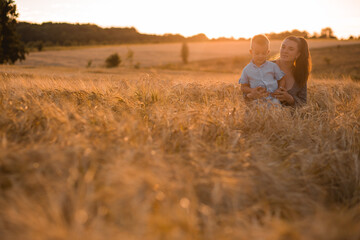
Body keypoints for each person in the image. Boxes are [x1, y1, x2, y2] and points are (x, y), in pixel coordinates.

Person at [244, 36, 312, 107]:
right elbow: (244, 94)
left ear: (298, 54)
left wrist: (290, 99)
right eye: (283, 47)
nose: (285, 51)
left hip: (286, 117)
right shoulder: (263, 66)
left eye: (291, 49)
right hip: (261, 115)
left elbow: (303, 103)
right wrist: (251, 95)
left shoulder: (300, 74)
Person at [239, 34, 285, 105]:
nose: (260, 56)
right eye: (257, 53)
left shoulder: (273, 66)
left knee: (276, 107)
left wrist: (280, 89)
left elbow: (281, 79)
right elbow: (243, 87)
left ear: (268, 52)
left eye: (263, 53)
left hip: (273, 98)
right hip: (256, 98)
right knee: (256, 110)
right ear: (251, 52)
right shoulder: (246, 70)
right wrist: (252, 90)